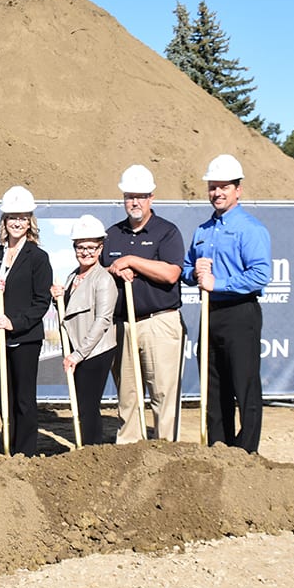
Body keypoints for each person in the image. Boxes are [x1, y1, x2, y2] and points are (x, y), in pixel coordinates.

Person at [182, 154, 272, 454]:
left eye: (224, 187)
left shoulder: (250, 229)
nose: (217, 193)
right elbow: (186, 270)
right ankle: (219, 450)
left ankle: (246, 454)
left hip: (240, 313)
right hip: (210, 314)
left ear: (238, 190)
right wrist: (194, 274)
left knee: (244, 387)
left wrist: (217, 283)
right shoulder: (203, 231)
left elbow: (261, 274)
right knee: (213, 385)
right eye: (212, 187)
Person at [104, 164, 186, 443]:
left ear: (151, 198)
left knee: (163, 393)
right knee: (128, 395)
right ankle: (130, 452)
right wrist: (114, 269)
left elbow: (171, 273)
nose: (134, 202)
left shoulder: (167, 232)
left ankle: (166, 450)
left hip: (158, 323)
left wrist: (131, 261)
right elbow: (100, 274)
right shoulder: (112, 234)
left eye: (140, 196)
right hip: (123, 325)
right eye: (129, 196)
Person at [0, 186, 53, 456]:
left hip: (24, 339)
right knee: (5, 396)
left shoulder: (38, 257)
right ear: (4, 221)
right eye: (12, 217)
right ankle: (9, 445)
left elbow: (41, 302)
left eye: (23, 218)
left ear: (30, 222)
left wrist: (14, 322)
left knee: (24, 399)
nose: (17, 222)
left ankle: (25, 453)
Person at [51, 215, 118, 446]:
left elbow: (103, 320)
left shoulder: (103, 279)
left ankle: (92, 451)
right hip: (77, 350)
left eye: (91, 247)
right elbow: (68, 313)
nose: (86, 252)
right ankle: (86, 449)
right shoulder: (72, 277)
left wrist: (78, 355)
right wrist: (56, 299)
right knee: (80, 404)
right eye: (81, 247)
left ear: (100, 248)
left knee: (88, 406)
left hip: (95, 351)